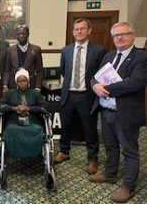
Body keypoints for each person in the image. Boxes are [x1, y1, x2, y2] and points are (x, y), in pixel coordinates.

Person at [89, 22, 147, 203]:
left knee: (129, 150)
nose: (120, 38)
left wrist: (107, 88)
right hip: (107, 111)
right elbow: (95, 77)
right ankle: (110, 173)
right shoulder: (110, 55)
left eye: (124, 34)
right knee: (110, 146)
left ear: (133, 35)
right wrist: (95, 86)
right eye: (116, 35)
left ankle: (129, 186)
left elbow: (135, 82)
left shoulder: (141, 57)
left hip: (126, 113)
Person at [54, 18, 107, 175]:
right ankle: (64, 151)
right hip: (68, 95)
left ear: (89, 30)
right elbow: (64, 70)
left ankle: (92, 158)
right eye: (76, 29)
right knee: (66, 126)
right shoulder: (66, 50)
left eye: (82, 29)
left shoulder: (98, 50)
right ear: (73, 32)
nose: (79, 31)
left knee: (89, 128)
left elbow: (101, 74)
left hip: (87, 96)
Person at [0, 68, 50, 158]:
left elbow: (45, 107)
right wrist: (14, 108)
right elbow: (0, 106)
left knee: (38, 130)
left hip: (32, 124)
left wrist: (29, 108)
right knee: (9, 131)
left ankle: (34, 153)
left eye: (24, 80)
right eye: (19, 81)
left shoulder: (35, 94)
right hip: (14, 124)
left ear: (28, 81)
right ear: (16, 82)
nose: (22, 83)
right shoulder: (10, 93)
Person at [3, 24, 44, 94]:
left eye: (23, 33)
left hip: (31, 86)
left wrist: (38, 87)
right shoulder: (10, 50)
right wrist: (5, 85)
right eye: (19, 34)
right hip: (14, 86)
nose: (21, 36)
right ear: (16, 35)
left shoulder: (36, 49)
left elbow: (40, 70)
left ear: (28, 34)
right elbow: (7, 70)